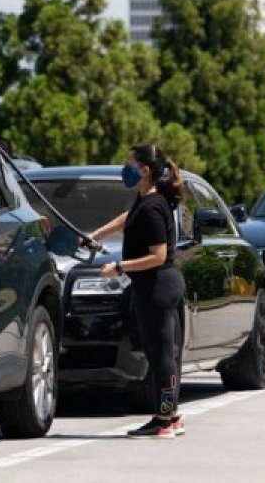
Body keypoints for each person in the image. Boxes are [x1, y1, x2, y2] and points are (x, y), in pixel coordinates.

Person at [86, 144, 186, 439]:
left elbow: (158, 255)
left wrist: (119, 267)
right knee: (157, 353)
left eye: (129, 163)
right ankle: (168, 415)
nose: (124, 168)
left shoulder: (154, 207)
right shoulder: (146, 200)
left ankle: (167, 418)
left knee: (162, 355)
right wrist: (94, 236)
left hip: (159, 286)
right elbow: (126, 217)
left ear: (144, 169)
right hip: (152, 286)